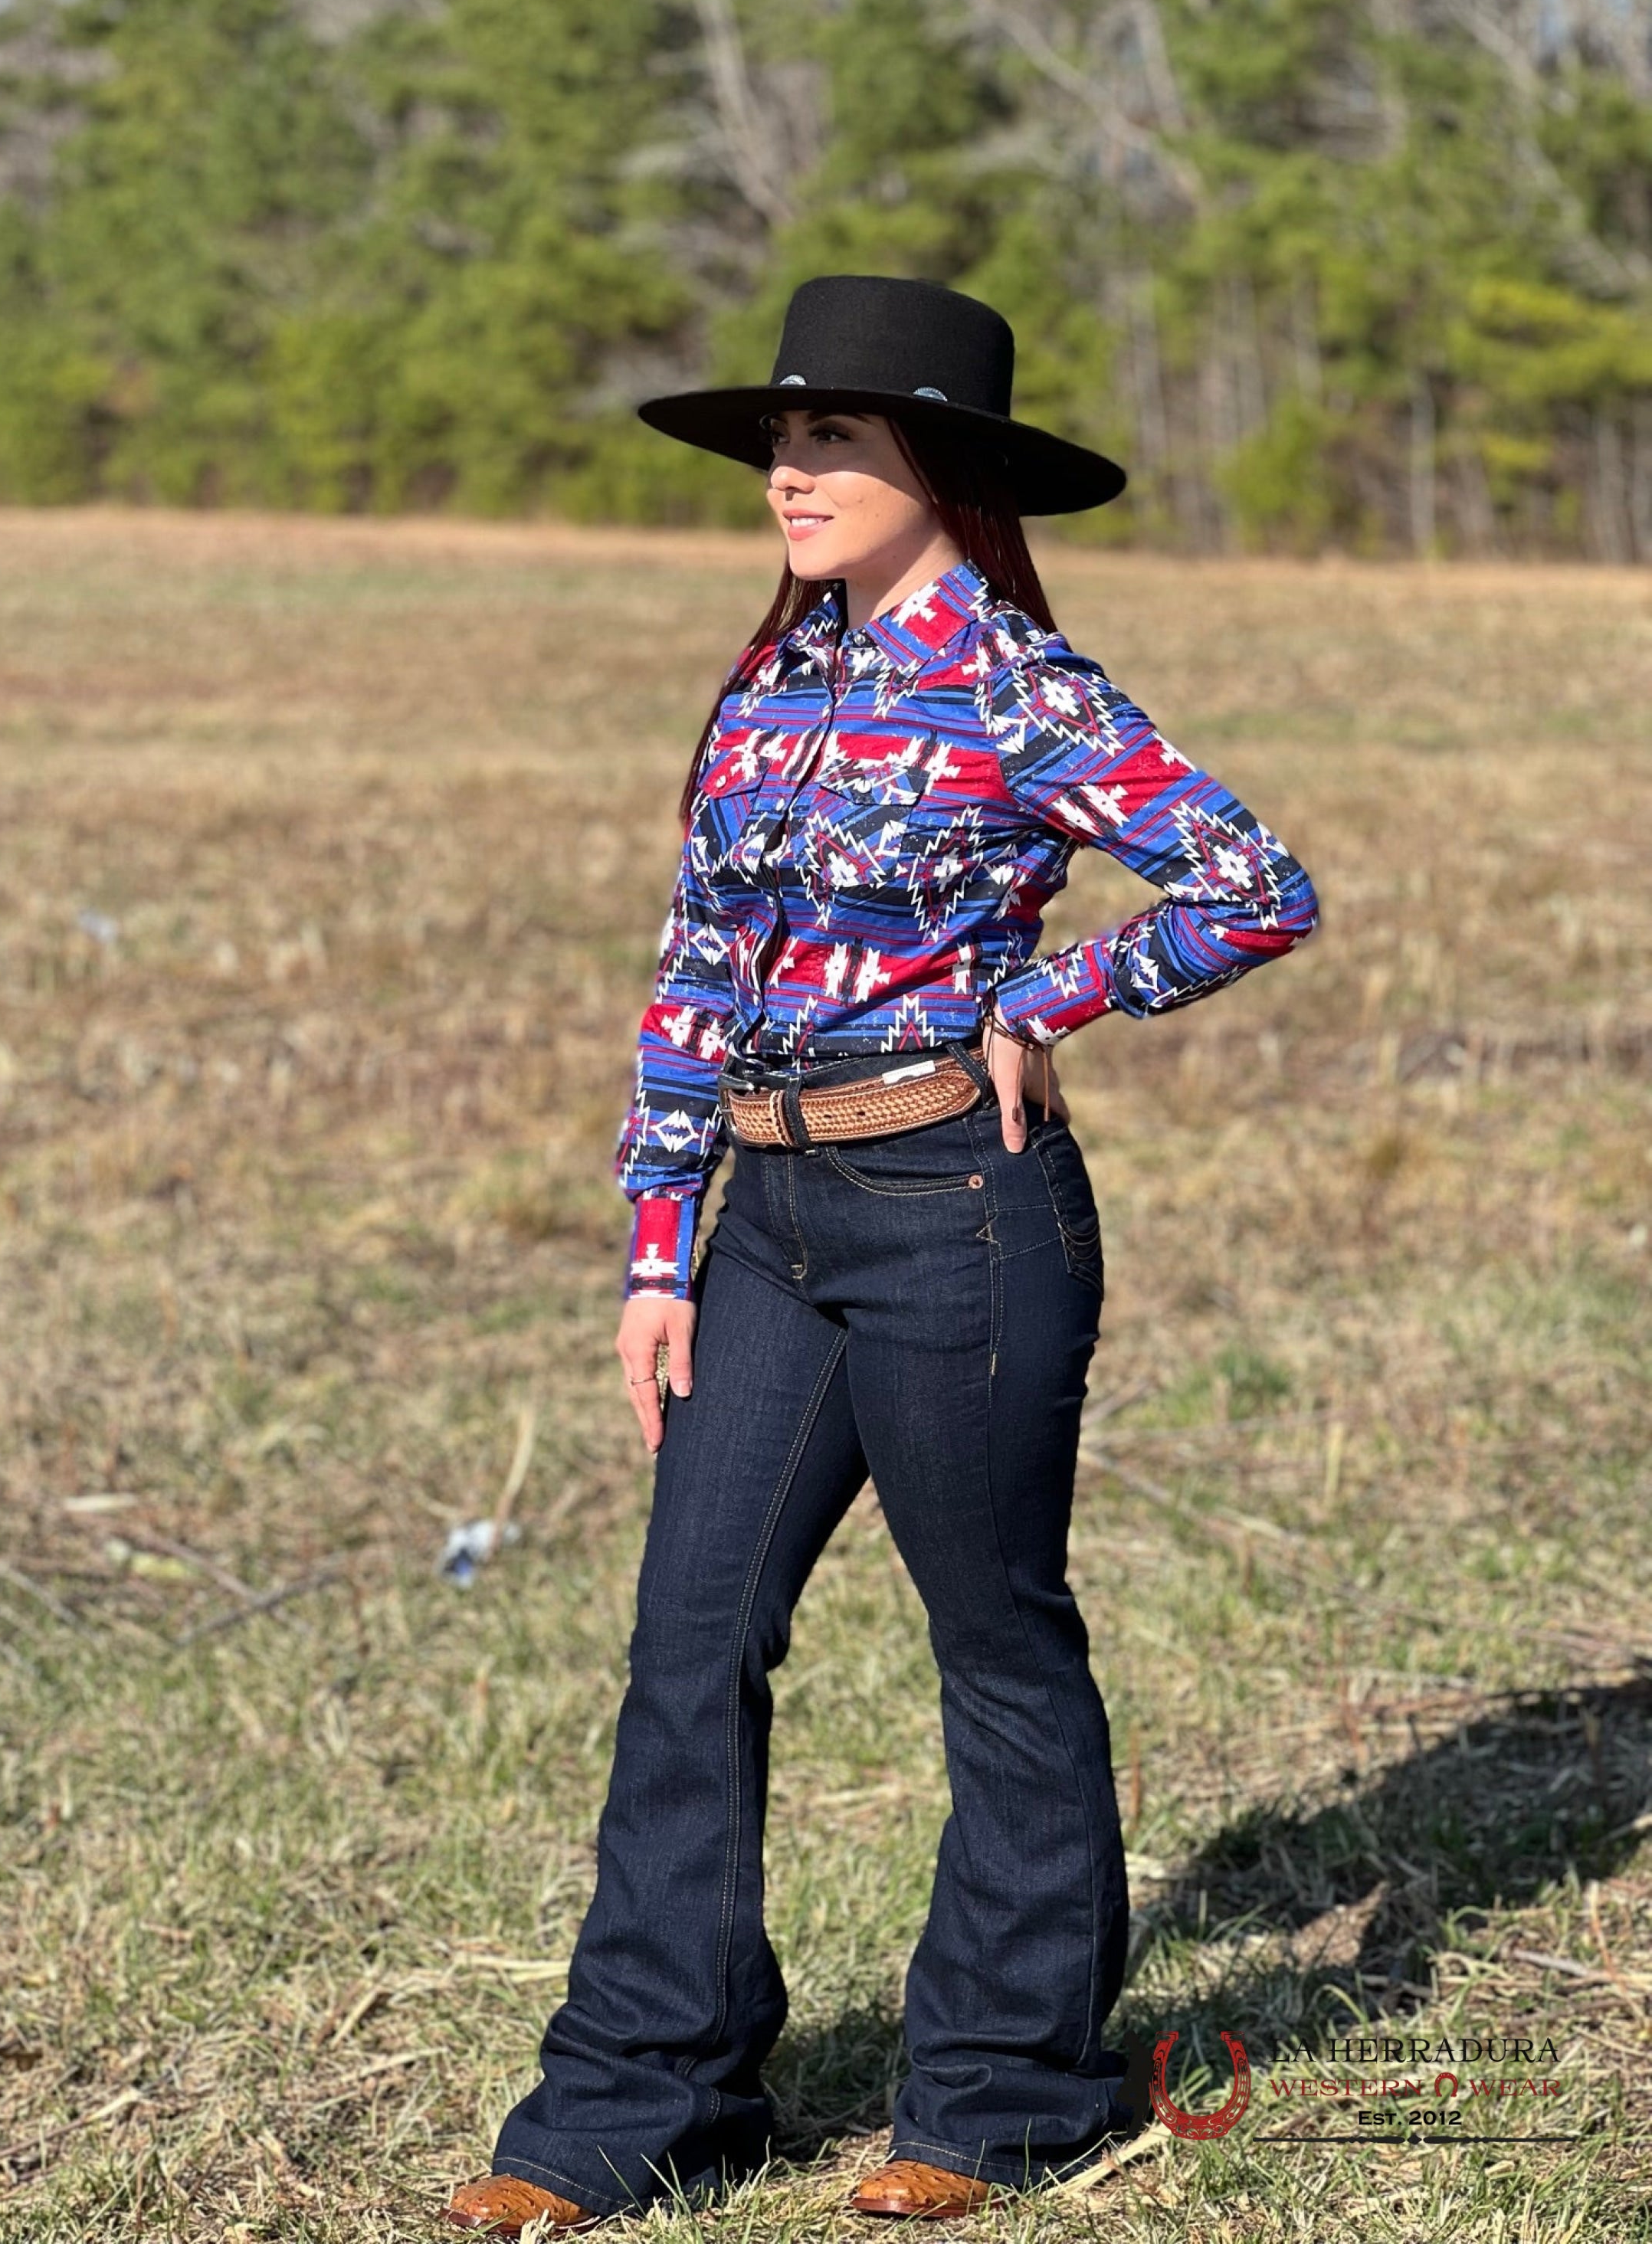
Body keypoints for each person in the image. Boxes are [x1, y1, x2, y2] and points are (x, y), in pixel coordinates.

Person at [446, 275, 1319, 2234]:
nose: (791, 469)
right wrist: (657, 1249)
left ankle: (1007, 2091)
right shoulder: (767, 685)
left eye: (835, 436)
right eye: (782, 437)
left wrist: (1050, 999)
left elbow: (1258, 886)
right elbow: (691, 977)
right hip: (767, 1229)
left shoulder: (1023, 688)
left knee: (995, 1644)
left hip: (957, 1221)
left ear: (943, 469)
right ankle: (638, 2101)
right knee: (691, 1645)